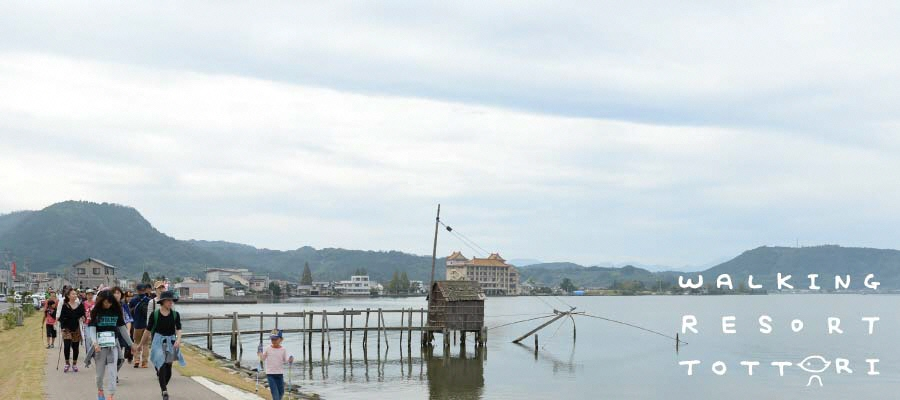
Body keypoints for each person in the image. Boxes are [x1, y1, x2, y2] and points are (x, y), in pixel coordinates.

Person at [136, 290, 184, 400]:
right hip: (158, 341)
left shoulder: (175, 314)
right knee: (161, 365)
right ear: (162, 302)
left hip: (171, 341)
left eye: (171, 301)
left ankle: (163, 385)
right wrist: (140, 345)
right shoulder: (155, 314)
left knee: (169, 369)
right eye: (168, 301)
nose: (170, 303)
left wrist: (178, 340)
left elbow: (179, 329)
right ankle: (164, 391)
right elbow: (147, 331)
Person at [86, 290, 134, 400]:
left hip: (113, 346)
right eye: (106, 302)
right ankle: (100, 390)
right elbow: (92, 329)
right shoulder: (96, 312)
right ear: (101, 301)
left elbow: (123, 330)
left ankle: (110, 395)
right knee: (99, 375)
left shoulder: (116, 312)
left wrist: (131, 344)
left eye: (110, 302)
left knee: (112, 372)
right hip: (99, 346)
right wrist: (95, 343)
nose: (108, 304)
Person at [258, 329, 295, 400]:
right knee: (275, 393)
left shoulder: (283, 349)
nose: (273, 341)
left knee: (281, 392)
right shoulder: (268, 348)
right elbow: (263, 358)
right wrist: (260, 353)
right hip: (270, 374)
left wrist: (290, 360)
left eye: (275, 339)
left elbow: (285, 360)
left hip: (280, 374)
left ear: (281, 339)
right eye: (272, 339)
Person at [58, 288, 86, 373]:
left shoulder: (80, 305)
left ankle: (74, 364)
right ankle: (67, 363)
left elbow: (83, 315)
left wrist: (83, 318)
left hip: (76, 328)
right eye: (73, 294)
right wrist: (62, 327)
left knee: (75, 347)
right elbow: (61, 318)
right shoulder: (65, 305)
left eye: (75, 294)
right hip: (66, 328)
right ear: (68, 296)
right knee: (66, 346)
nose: (75, 295)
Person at [110, 287, 133, 376]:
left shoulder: (123, 305)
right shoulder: (108, 304)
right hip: (110, 334)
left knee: (120, 358)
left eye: (118, 293)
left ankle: (114, 373)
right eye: (114, 293)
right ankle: (113, 374)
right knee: (113, 355)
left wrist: (128, 331)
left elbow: (128, 319)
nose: (116, 295)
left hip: (121, 333)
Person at [129, 284, 152, 368]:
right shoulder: (149, 301)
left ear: (137, 290)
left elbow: (130, 311)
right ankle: (145, 362)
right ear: (145, 290)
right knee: (146, 344)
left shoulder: (133, 300)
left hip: (137, 325)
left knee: (136, 342)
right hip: (147, 326)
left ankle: (136, 360)